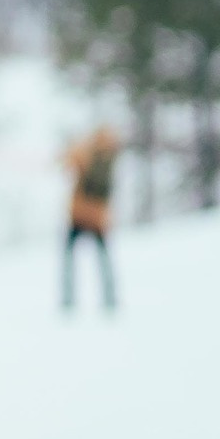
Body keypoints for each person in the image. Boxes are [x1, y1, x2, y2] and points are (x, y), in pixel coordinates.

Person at [62, 125, 121, 311]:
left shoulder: (98, 162)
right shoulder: (106, 160)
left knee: (73, 258)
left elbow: (74, 166)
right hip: (94, 217)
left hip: (85, 216)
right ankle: (107, 298)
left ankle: (70, 299)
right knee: (100, 259)